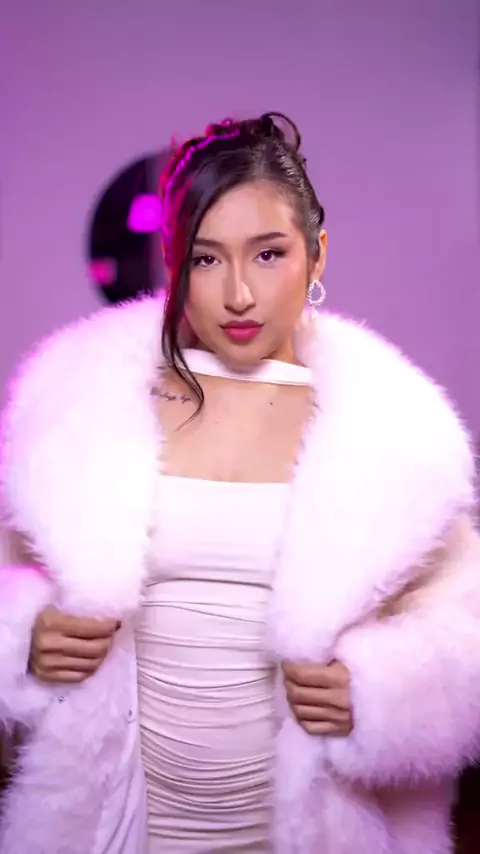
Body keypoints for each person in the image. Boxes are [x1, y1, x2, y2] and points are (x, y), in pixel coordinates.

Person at [0, 112, 479, 854]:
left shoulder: (391, 436)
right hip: (118, 829)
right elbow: (10, 574)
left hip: (310, 831)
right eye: (206, 258)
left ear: (317, 256)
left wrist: (382, 694)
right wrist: (23, 639)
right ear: (173, 264)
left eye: (268, 254)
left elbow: (461, 630)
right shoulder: (81, 414)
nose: (239, 294)